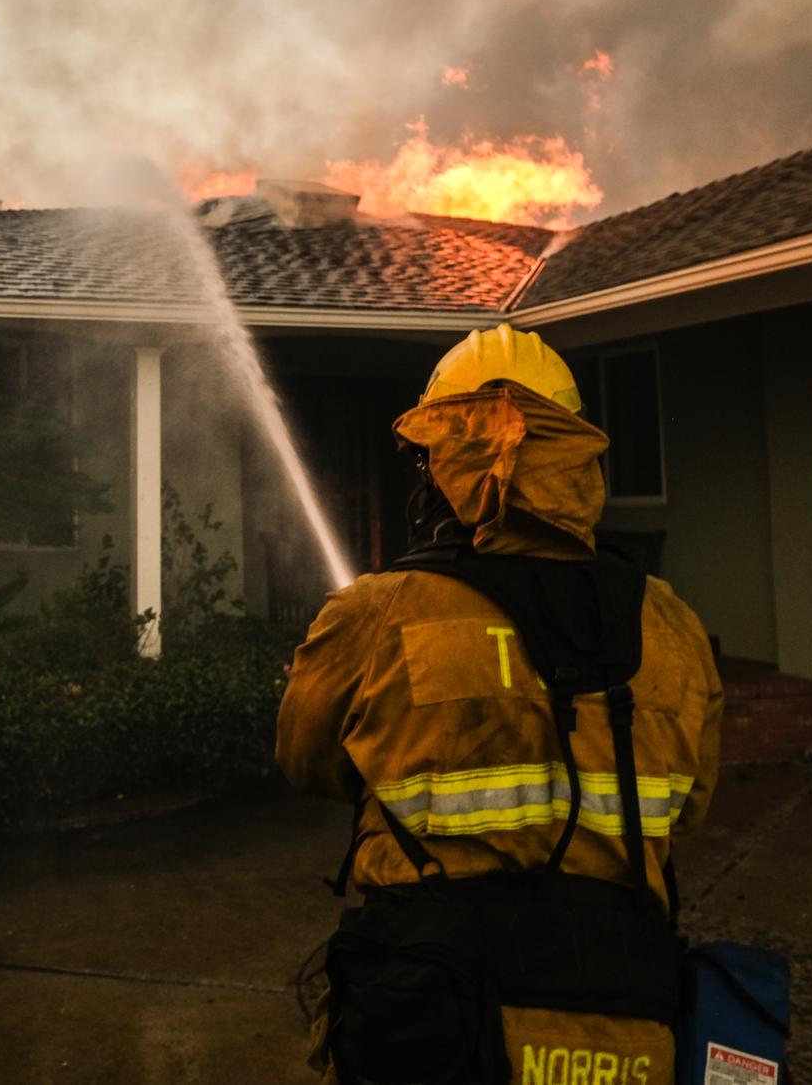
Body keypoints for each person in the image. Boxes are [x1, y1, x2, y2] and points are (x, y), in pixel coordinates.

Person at [278, 324, 723, 1085]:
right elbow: (691, 805)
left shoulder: (375, 614)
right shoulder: (673, 623)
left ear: (440, 462)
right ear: (576, 459)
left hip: (426, 1017)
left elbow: (307, 762)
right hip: (620, 1021)